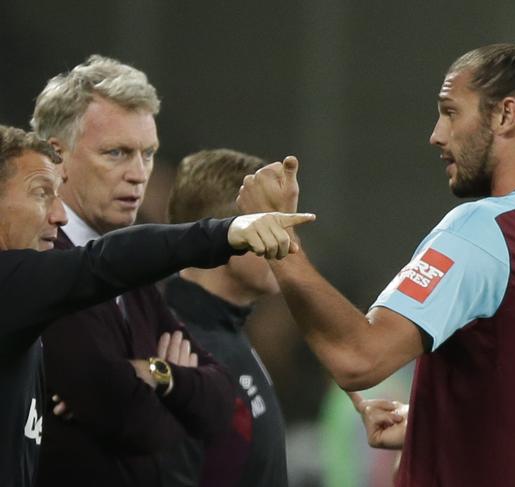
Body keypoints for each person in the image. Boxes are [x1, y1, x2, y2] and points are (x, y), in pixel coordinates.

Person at [237, 26, 515, 486]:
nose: (436, 135)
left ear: (506, 115)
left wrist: (278, 240)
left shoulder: (488, 229)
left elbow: (358, 357)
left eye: (451, 112)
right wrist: (435, 424)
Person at [29, 54, 312, 487]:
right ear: (56, 155)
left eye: (148, 154)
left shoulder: (133, 275)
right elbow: (137, 422)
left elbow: (218, 406)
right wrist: (175, 385)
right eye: (117, 153)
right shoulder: (41, 266)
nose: (138, 174)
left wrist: (158, 376)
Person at [159, 148, 288, 486]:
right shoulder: (180, 346)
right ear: (223, 235)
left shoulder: (226, 334)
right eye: (273, 225)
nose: (288, 244)